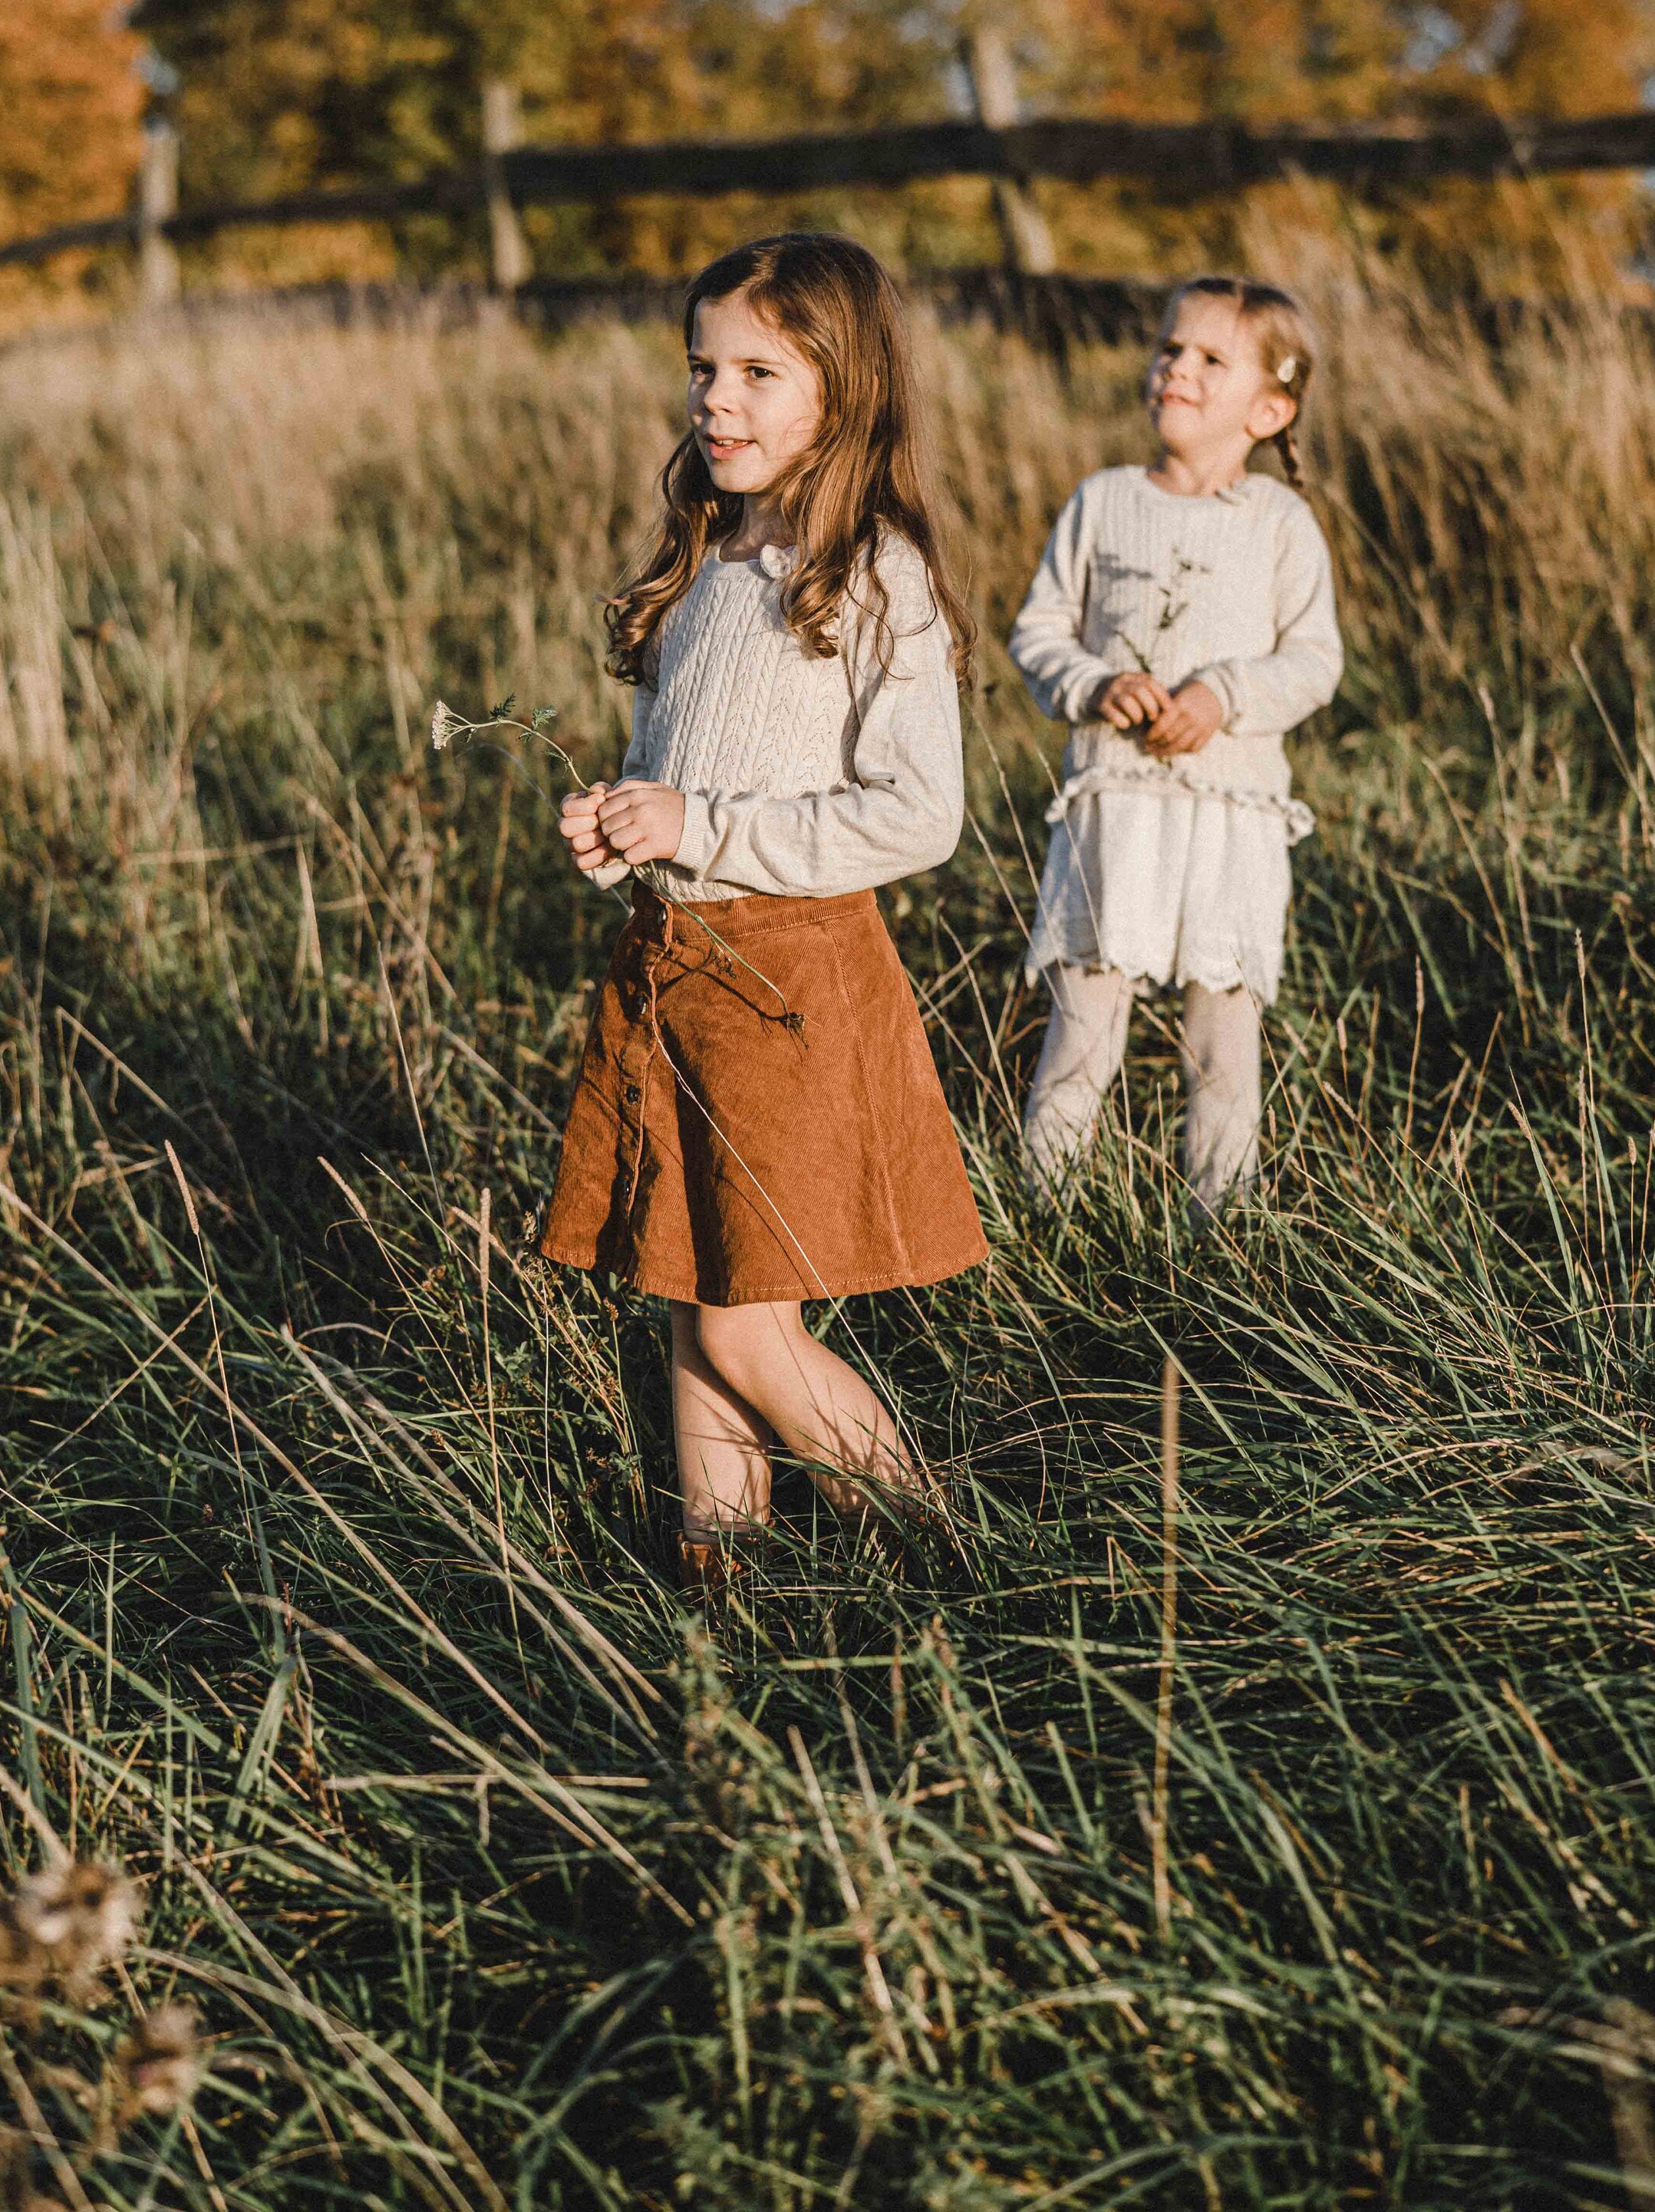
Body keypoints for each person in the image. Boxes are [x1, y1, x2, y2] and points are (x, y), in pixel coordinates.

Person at [541, 232, 987, 1580]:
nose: (712, 400)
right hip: (675, 963)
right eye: (701, 368)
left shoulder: (871, 574)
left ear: (842, 392)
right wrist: (632, 821)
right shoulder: (711, 558)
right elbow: (686, 760)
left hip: (788, 984)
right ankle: (718, 1582)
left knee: (747, 1325)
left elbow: (919, 814)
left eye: (755, 371)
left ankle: (935, 1553)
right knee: (691, 1301)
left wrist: (707, 829)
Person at [1008, 274, 1342, 1209]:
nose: (1176, 369)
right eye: (1168, 348)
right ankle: (1045, 1210)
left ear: (1269, 408)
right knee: (1084, 1019)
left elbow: (1314, 662)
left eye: (1208, 358)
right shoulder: (1104, 501)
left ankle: (1221, 1219)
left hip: (1231, 814)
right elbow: (1038, 635)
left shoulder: (1280, 523)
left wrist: (1223, 693)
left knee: (1222, 1035)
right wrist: (1094, 684)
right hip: (1114, 804)